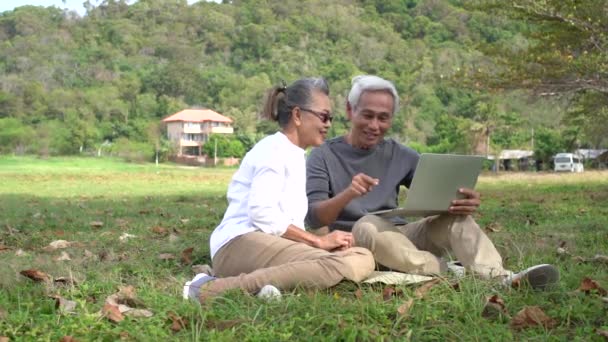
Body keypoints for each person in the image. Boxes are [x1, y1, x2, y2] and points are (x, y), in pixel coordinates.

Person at [305, 75, 559, 289]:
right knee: (368, 224)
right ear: (350, 111)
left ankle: (501, 277)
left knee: (454, 220)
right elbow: (315, 218)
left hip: (401, 236)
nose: (374, 125)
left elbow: (436, 192)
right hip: (356, 242)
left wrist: (462, 200)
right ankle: (452, 271)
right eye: (368, 115)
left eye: (383, 118)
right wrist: (348, 193)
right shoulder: (323, 155)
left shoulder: (400, 153)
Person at [183, 78, 375, 303]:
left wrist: (323, 241)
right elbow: (262, 214)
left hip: (267, 244)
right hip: (238, 243)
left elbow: (287, 221)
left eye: (330, 118)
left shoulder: (294, 154)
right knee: (343, 263)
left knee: (359, 257)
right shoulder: (273, 150)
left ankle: (265, 287)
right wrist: (316, 242)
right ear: (297, 115)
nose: (328, 124)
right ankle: (209, 289)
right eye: (324, 116)